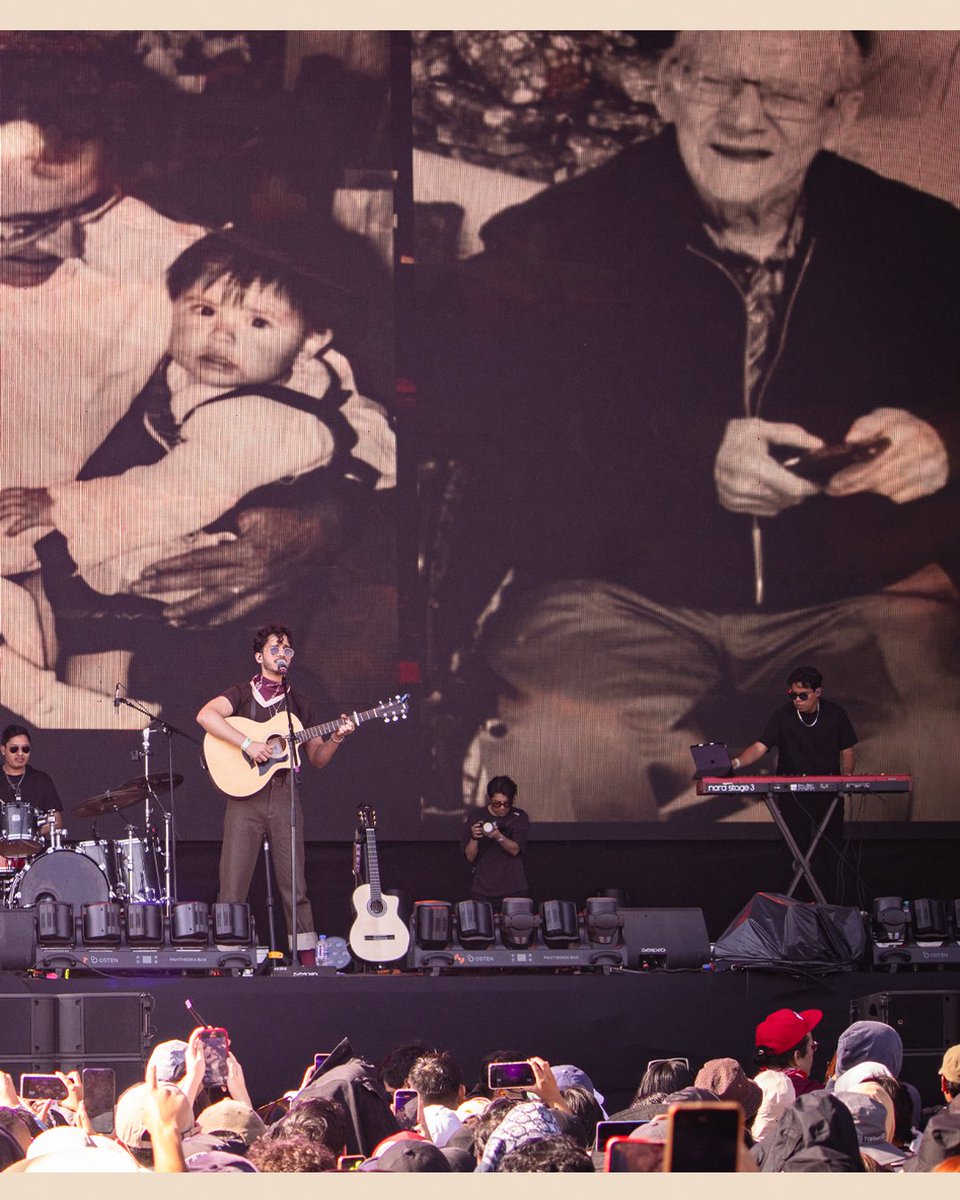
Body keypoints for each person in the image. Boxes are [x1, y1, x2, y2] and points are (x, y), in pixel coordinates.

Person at [422, 30, 960, 826]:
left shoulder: (924, 242)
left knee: (938, 751)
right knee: (558, 755)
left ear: (839, 113)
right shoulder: (565, 231)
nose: (745, 117)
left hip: (862, 597)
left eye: (783, 93)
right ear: (669, 86)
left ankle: (757, 893)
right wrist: (683, 452)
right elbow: (461, 391)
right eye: (717, 82)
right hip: (613, 594)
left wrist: (945, 439)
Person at [0, 41, 394, 728]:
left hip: (106, 561)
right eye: (20, 222)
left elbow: (347, 411)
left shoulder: (171, 257)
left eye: (81, 208)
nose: (61, 243)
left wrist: (320, 523)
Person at [196, 623, 355, 965]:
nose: (282, 655)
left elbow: (317, 759)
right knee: (233, 881)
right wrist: (248, 743)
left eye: (287, 651)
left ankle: (306, 960)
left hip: (285, 796)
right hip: (244, 798)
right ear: (259, 656)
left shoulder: (299, 703)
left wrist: (338, 737)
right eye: (274, 649)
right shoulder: (240, 693)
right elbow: (206, 715)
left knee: (294, 884)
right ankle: (228, 958)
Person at [732, 666, 857, 900]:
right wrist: (735, 763)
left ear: (818, 692)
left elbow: (847, 751)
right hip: (793, 796)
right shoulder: (782, 716)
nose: (797, 701)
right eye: (793, 695)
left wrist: (846, 781)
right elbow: (761, 747)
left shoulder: (835, 715)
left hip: (828, 795)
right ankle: (796, 907)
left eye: (803, 695)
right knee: (795, 851)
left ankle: (830, 908)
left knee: (829, 853)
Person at [461, 775, 530, 911]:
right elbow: (469, 857)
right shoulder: (476, 817)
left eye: (507, 803)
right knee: (481, 930)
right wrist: (475, 838)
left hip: (514, 889)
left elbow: (515, 850)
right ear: (490, 799)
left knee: (517, 931)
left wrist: (498, 836)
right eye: (497, 803)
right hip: (483, 890)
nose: (502, 808)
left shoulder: (519, 817)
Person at [0, 725, 62, 873]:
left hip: (35, 857)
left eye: (25, 749)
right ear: (3, 750)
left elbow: (57, 821)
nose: (20, 753)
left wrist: (33, 832)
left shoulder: (41, 780)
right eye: (14, 749)